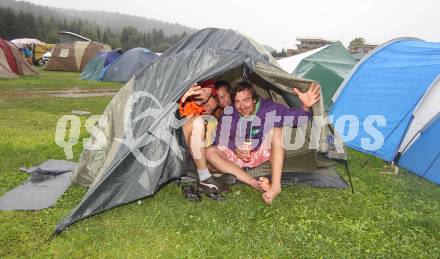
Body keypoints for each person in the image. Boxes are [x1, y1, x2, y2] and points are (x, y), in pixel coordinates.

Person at [206, 81, 321, 204]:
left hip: (261, 153)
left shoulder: (269, 108)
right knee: (209, 151)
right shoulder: (230, 112)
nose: (242, 106)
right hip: (238, 157)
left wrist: (306, 106)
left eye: (246, 100)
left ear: (254, 99)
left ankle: (276, 187)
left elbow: (297, 118)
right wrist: (235, 148)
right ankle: (254, 183)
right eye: (237, 102)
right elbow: (220, 138)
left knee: (277, 131)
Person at [178, 80, 230, 197]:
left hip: (183, 150)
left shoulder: (199, 111)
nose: (205, 96)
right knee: (198, 122)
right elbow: (165, 118)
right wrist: (183, 97)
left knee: (201, 124)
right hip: (166, 146)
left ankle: (205, 176)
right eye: (204, 90)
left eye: (208, 94)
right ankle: (205, 176)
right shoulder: (182, 99)